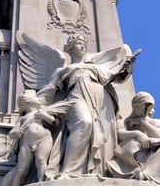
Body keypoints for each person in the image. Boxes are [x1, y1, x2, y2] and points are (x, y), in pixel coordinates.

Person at [45, 35, 132, 178]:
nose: (83, 46)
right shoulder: (62, 70)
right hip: (76, 98)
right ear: (70, 47)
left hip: (100, 101)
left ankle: (97, 170)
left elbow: (116, 78)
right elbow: (48, 91)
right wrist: (32, 106)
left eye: (84, 43)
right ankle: (68, 171)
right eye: (79, 43)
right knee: (84, 122)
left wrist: (127, 70)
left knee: (102, 133)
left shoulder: (94, 67)